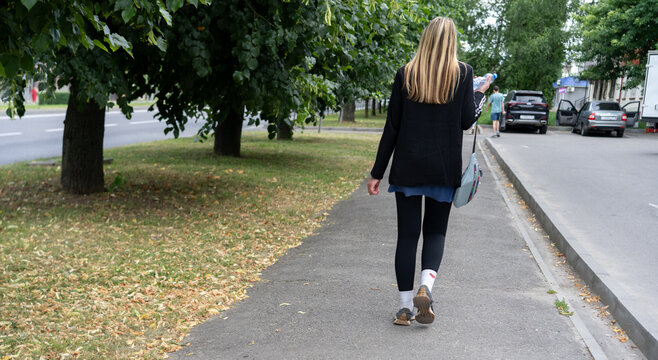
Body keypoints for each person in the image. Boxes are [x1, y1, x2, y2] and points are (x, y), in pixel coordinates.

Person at [367, 17, 488, 326]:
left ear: (424, 40)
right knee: (435, 232)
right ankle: (427, 287)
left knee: (407, 237)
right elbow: (465, 121)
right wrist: (479, 95)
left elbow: (392, 126)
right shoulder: (463, 74)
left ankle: (406, 308)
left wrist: (377, 172)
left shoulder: (405, 74)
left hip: (407, 167)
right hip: (443, 169)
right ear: (452, 43)